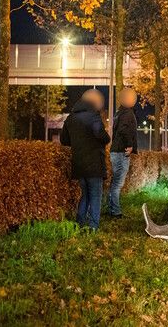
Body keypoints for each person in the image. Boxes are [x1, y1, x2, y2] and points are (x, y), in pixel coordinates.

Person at [60, 89, 111, 231]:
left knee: (85, 195)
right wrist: (104, 139)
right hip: (94, 164)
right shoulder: (93, 116)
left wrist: (78, 143)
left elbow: (64, 140)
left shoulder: (71, 118)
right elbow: (102, 136)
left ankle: (79, 223)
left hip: (78, 164)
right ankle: (93, 226)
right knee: (95, 195)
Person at [107, 88, 138, 218]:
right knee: (117, 183)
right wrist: (130, 145)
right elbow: (124, 131)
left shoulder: (119, 113)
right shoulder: (128, 114)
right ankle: (115, 212)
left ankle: (112, 208)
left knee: (115, 182)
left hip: (116, 150)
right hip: (121, 152)